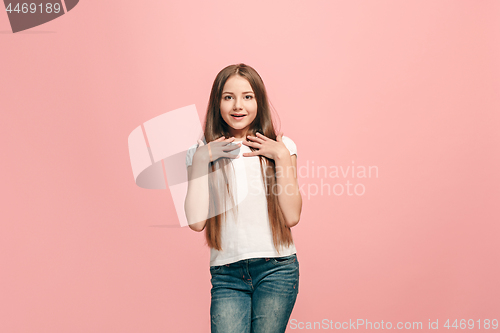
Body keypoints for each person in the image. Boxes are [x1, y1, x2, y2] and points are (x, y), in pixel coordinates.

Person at [184, 63, 302, 333]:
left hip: (277, 269)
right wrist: (201, 160)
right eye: (229, 97)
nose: (238, 105)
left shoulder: (282, 147)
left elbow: (292, 217)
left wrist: (282, 156)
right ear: (217, 102)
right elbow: (196, 222)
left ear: (259, 100)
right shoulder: (201, 152)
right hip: (227, 275)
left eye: (247, 96)